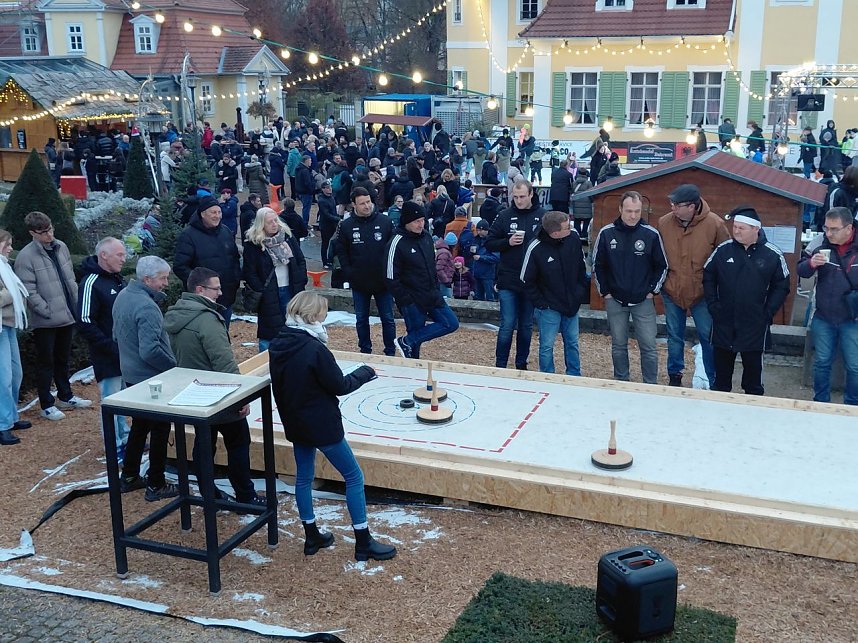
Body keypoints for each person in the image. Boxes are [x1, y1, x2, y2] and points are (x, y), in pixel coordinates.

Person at [268, 291, 395, 560]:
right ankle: (363, 541)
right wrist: (366, 372)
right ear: (313, 316)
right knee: (354, 476)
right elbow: (340, 385)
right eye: (323, 313)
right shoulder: (315, 349)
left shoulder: (279, 343)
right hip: (322, 424)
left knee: (303, 477)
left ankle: (311, 536)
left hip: (295, 421)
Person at [164, 267, 265, 506]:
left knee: (203, 443)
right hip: (218, 394)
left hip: (192, 392)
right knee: (239, 443)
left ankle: (209, 493)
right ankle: (245, 496)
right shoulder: (207, 320)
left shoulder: (177, 314)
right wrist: (240, 398)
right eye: (216, 288)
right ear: (200, 290)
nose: (220, 293)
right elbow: (224, 363)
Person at [112, 256, 178, 501]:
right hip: (151, 380)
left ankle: (129, 476)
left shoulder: (122, 297)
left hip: (130, 375)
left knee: (139, 426)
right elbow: (150, 350)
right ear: (147, 279)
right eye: (162, 278)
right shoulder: (147, 306)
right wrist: (173, 368)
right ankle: (156, 483)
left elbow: (116, 336)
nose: (166, 283)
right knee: (160, 430)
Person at [703, 206, 789, 395]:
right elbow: (708, 276)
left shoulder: (772, 254)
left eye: (742, 228)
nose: (736, 231)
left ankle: (753, 412)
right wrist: (713, 305)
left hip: (754, 324)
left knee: (753, 382)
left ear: (755, 229)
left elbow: (782, 286)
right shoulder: (723, 250)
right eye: (735, 227)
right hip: (724, 322)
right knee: (721, 381)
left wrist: (767, 312)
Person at [15, 211, 91, 421]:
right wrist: (46, 310)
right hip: (46, 320)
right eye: (43, 232)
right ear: (33, 233)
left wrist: (74, 304)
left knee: (62, 359)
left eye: (50, 229)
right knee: (45, 362)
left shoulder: (61, 246)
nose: (49, 235)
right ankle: (46, 404)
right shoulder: (26, 257)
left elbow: (69, 278)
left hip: (67, 313)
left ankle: (66, 396)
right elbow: (28, 291)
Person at [656, 184, 730, 387]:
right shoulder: (663, 223)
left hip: (703, 293)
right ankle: (675, 375)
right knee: (674, 336)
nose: (672, 208)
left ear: (692, 206)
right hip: (672, 289)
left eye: (677, 205)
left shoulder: (715, 224)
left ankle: (713, 378)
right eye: (672, 204)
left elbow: (725, 258)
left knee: (708, 336)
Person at [592, 191, 668, 385]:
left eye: (637, 211)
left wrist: (653, 291)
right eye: (628, 211)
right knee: (618, 344)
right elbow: (598, 265)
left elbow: (662, 265)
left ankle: (650, 383)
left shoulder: (650, 234)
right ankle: (621, 380)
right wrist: (605, 292)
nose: (633, 215)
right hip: (615, 299)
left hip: (643, 300)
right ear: (620, 210)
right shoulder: (607, 233)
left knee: (649, 345)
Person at [797, 207, 858, 405]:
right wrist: (811, 264)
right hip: (824, 316)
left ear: (849, 228)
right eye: (826, 228)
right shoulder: (819, 243)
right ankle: (820, 403)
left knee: (855, 365)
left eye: (834, 229)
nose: (828, 233)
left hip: (853, 318)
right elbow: (801, 270)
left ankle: (852, 406)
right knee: (822, 363)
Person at [387, 201, 460, 359]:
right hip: (412, 299)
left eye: (422, 220)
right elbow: (390, 277)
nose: (421, 225)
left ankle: (407, 341)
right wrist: (406, 300)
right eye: (416, 221)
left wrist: (436, 288)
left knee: (451, 323)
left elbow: (432, 265)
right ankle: (413, 369)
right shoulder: (396, 242)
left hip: (432, 294)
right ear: (406, 222)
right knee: (414, 345)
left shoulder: (426, 236)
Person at [485, 180, 545, 369]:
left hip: (531, 280)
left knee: (526, 325)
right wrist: (507, 242)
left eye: (522, 196)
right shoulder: (504, 215)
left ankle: (521, 364)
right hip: (508, 279)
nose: (518, 201)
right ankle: (500, 364)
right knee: (507, 324)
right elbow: (489, 242)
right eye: (515, 197)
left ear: (531, 195)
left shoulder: (542, 216)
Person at [77, 237, 128, 460]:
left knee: (123, 397)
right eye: (120, 255)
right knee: (110, 399)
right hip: (107, 355)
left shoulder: (117, 280)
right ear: (104, 255)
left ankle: (124, 437)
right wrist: (110, 347)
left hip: (124, 353)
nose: (124, 259)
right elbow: (85, 321)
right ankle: (113, 446)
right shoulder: (91, 282)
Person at [521, 211, 588, 376]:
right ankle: (547, 376)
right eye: (567, 227)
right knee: (546, 345)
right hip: (549, 307)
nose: (571, 228)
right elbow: (525, 279)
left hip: (572, 303)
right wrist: (541, 303)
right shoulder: (535, 247)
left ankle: (574, 375)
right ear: (555, 232)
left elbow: (581, 267)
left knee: (572, 342)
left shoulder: (573, 239)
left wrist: (579, 293)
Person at [337, 187, 396, 356]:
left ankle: (390, 351)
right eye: (362, 203)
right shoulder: (347, 225)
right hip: (359, 282)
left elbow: (393, 249)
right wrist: (348, 272)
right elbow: (341, 251)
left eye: (369, 202)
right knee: (361, 319)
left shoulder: (385, 222)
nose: (367, 206)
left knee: (388, 319)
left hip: (383, 281)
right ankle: (365, 350)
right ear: (354, 205)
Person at [243, 208, 307, 352]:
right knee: (269, 330)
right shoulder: (254, 245)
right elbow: (250, 272)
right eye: (269, 222)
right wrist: (261, 290)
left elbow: (300, 261)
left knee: (293, 325)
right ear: (261, 225)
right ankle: (266, 359)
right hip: (269, 290)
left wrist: (301, 281)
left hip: (291, 288)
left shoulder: (288, 238)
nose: (274, 224)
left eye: (275, 220)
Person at [173, 195, 242, 327]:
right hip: (202, 299)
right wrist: (200, 284)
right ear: (203, 214)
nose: (217, 216)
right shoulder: (188, 235)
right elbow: (180, 266)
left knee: (222, 334)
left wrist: (236, 279)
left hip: (226, 296)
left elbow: (234, 259)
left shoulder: (226, 232)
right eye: (213, 212)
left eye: (219, 212)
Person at [0, 229, 28, 445]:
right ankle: (2, 424)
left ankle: (11, 416)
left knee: (15, 374)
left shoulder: (4, 265)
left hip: (8, 325)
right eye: (6, 244)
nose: (10, 248)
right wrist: (13, 292)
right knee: (3, 378)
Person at [471, 219, 500, 301]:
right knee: (478, 297)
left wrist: (481, 257)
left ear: (487, 230)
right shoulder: (475, 239)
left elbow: (496, 258)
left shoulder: (492, 241)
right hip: (477, 273)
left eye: (481, 230)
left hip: (488, 274)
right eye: (478, 230)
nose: (479, 232)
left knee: (490, 297)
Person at [316, 180, 339, 268]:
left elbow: (333, 211)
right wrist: (337, 219)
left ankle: (330, 259)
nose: (330, 189)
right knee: (325, 244)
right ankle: (325, 262)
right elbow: (326, 214)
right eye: (327, 188)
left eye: (330, 187)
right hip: (325, 225)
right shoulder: (322, 201)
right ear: (323, 189)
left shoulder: (332, 198)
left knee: (333, 242)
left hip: (333, 224)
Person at [570, 169, 594, 241]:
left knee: (577, 221)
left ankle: (577, 235)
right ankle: (584, 234)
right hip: (587, 206)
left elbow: (572, 192)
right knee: (586, 221)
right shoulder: (589, 183)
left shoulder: (574, 183)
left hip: (576, 205)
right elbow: (591, 195)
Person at [295, 153, 316, 226]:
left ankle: (304, 223)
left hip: (301, 191)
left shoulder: (299, 169)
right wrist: (312, 190)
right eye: (310, 161)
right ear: (306, 161)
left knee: (305, 208)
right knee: (306, 209)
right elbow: (307, 183)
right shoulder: (305, 171)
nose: (311, 162)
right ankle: (305, 224)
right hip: (306, 192)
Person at [435, 234, 454, 299]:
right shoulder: (445, 253)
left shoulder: (440, 251)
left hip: (440, 281)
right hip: (443, 282)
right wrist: (446, 281)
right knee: (447, 300)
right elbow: (439, 269)